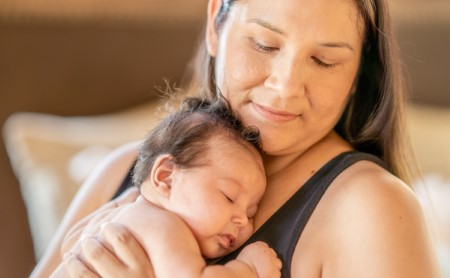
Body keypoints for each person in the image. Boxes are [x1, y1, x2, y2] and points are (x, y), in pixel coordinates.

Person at [32, 0, 443, 277]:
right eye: (264, 44)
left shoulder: (371, 210)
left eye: (324, 61)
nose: (285, 87)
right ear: (216, 23)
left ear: (359, 72)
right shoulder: (121, 171)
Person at [50, 97, 282, 277]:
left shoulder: (116, 213)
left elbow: (68, 246)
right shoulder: (165, 227)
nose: (242, 220)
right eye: (229, 197)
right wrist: (247, 269)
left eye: (251, 213)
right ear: (166, 177)